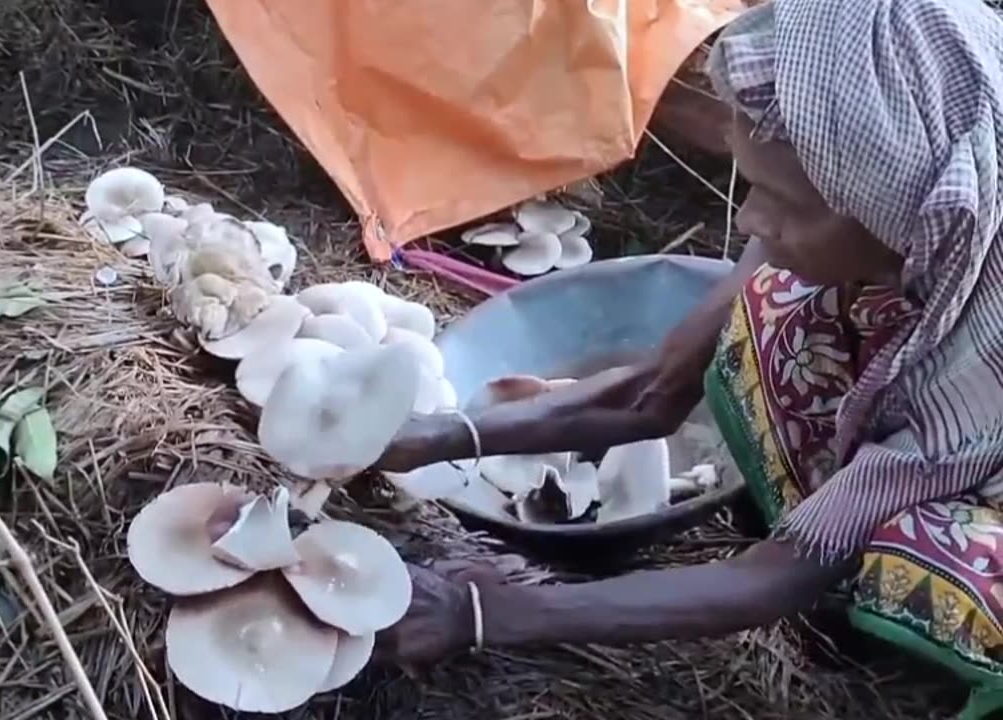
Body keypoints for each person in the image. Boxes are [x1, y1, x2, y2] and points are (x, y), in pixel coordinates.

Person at [373, 1, 1003, 717]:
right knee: (776, 317)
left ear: (904, 218)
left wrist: (476, 615)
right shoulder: (884, 166)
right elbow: (660, 389)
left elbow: (771, 581)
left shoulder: (975, 375)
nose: (748, 222)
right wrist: (442, 436)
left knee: (922, 553)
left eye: (782, 202)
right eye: (754, 183)